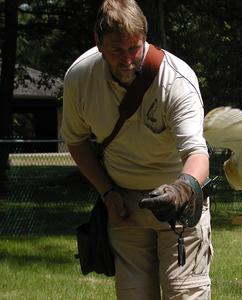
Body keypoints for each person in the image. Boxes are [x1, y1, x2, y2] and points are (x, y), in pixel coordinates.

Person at [61, 0, 212, 299]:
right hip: (124, 207)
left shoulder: (176, 81)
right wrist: (107, 192)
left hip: (180, 203)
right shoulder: (80, 78)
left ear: (145, 36)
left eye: (134, 47)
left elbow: (197, 153)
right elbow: (76, 141)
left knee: (185, 293)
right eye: (117, 50)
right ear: (98, 43)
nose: (128, 59)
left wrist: (182, 191)